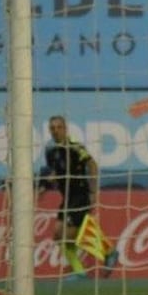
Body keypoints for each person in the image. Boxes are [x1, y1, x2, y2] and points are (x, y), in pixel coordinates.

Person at [39, 115, 118, 278]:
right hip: (67, 198)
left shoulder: (75, 147)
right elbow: (54, 172)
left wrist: (93, 191)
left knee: (68, 234)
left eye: (59, 127)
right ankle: (84, 268)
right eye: (52, 128)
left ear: (65, 128)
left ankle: (103, 255)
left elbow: (92, 165)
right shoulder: (50, 151)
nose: (55, 131)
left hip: (80, 196)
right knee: (58, 235)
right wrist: (43, 188)